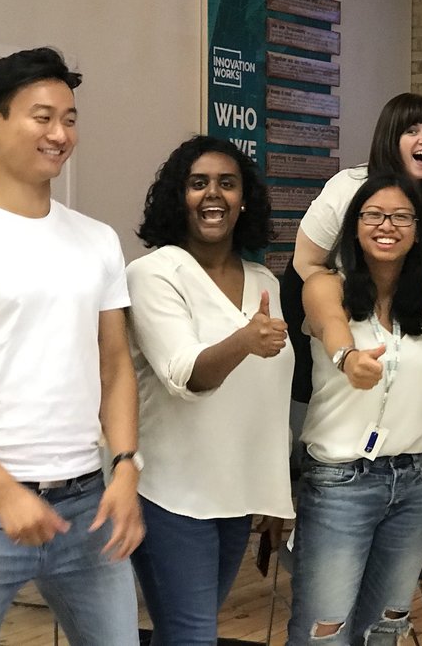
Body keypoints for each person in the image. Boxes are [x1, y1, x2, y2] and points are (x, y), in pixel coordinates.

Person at [0, 47, 143, 644]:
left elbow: (116, 365)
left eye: (69, 119)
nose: (59, 134)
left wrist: (126, 467)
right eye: (42, 117)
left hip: (87, 501)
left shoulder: (98, 240)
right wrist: (2, 489)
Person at [125, 136, 295, 643]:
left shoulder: (264, 281)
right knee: (193, 636)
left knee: (186, 634)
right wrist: (244, 341)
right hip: (171, 494)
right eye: (198, 183)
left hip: (235, 495)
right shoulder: (153, 274)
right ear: (178, 197)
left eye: (227, 183)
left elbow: (269, 400)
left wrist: (273, 492)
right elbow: (184, 374)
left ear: (245, 199)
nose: (213, 194)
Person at [287, 94, 422, 519]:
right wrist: (351, 315)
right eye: (412, 130)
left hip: (408, 315)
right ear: (389, 139)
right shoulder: (346, 187)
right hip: (341, 312)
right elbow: (306, 263)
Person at [288, 173, 422, 645]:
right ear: (354, 226)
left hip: (415, 481)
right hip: (341, 483)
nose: (387, 225)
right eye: (373, 215)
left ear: (417, 230)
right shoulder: (324, 284)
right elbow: (332, 328)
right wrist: (349, 359)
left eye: (401, 217)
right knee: (325, 633)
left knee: (384, 630)